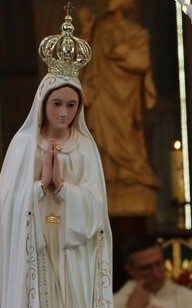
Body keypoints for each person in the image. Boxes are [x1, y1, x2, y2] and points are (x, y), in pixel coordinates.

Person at [0, 11, 149, 308]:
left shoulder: (86, 149)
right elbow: (8, 207)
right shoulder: (22, 146)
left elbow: (97, 214)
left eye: (70, 105)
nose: (63, 113)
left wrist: (64, 190)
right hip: (36, 274)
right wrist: (37, 190)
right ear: (42, 103)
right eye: (56, 104)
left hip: (76, 272)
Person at [78, 0, 158, 217]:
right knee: (100, 134)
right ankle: (107, 177)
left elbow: (142, 62)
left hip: (126, 100)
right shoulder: (98, 27)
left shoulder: (135, 32)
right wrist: (86, 28)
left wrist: (121, 53)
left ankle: (130, 175)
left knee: (126, 138)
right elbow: (84, 57)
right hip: (101, 95)